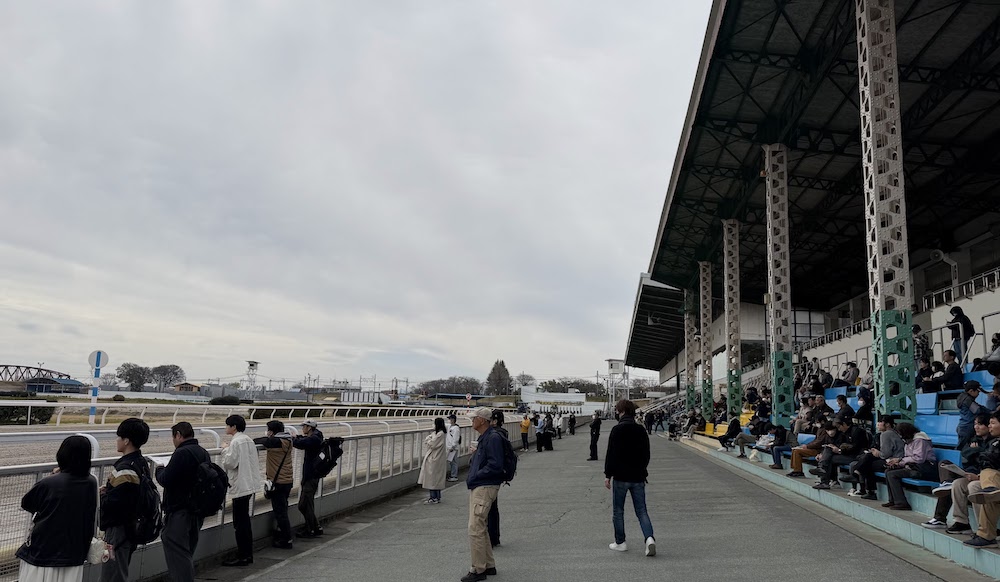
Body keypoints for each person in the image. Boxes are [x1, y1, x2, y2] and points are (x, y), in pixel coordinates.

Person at [16, 435, 98, 582]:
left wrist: (54, 475)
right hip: (74, 552)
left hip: (44, 551)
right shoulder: (92, 482)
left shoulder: (49, 483)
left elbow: (27, 503)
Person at [155, 422, 210, 582]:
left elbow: (166, 479)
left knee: (177, 554)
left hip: (180, 512)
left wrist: (159, 469)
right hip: (197, 511)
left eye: (173, 437)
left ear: (178, 435)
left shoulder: (181, 453)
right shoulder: (203, 452)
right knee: (186, 553)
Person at [100, 418, 151, 582]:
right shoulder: (141, 463)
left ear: (127, 440)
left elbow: (116, 504)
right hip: (132, 527)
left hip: (119, 531)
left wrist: (102, 495)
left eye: (119, 437)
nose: (117, 441)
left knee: (112, 575)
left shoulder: (125, 468)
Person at [922, 413, 993, 531]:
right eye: (975, 424)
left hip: (984, 477)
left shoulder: (994, 442)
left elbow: (988, 460)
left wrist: (976, 452)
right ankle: (961, 522)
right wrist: (975, 453)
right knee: (948, 471)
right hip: (970, 473)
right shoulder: (974, 439)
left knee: (971, 486)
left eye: (980, 424)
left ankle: (984, 528)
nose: (976, 427)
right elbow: (965, 454)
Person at [605, 399, 655, 557]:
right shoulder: (640, 430)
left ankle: (620, 542)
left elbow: (611, 454)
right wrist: (642, 470)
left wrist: (608, 475)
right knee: (641, 511)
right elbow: (647, 454)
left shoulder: (616, 430)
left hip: (620, 477)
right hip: (638, 477)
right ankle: (649, 539)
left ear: (621, 411)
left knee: (618, 511)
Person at [461, 408, 505, 582]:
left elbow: (495, 464)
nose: (472, 421)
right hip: (483, 485)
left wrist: (477, 474)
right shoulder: (488, 437)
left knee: (475, 527)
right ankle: (488, 564)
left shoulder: (492, 438)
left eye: (474, 419)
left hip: (485, 486)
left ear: (482, 420)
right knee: (480, 526)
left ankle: (478, 569)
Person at [220, 415, 262, 566]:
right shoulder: (248, 439)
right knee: (244, 521)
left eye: (227, 425)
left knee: (240, 523)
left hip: (241, 486)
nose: (226, 428)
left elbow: (230, 463)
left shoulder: (236, 441)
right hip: (249, 484)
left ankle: (243, 556)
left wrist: (225, 449)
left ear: (234, 427)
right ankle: (246, 554)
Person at [253, 420, 294, 549]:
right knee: (283, 509)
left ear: (271, 431)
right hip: (287, 480)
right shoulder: (288, 439)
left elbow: (260, 441)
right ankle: (283, 535)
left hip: (278, 482)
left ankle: (286, 540)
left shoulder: (276, 441)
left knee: (280, 512)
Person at [845, 415, 905, 500]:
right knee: (868, 458)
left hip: (892, 461)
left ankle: (868, 489)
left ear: (887, 424)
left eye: (880, 422)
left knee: (868, 463)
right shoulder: (891, 433)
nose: (878, 424)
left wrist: (877, 453)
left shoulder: (887, 434)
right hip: (891, 458)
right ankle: (859, 477)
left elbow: (885, 454)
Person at [882, 422, 937, 511]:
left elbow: (919, 458)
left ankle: (902, 503)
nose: (900, 436)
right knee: (888, 471)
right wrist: (898, 461)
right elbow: (909, 457)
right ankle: (893, 500)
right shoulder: (908, 441)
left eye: (900, 433)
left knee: (892, 475)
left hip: (924, 468)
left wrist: (901, 461)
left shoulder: (920, 440)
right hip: (914, 466)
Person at [965, 412, 1000, 548]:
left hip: (992, 477)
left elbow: (987, 460)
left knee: (987, 476)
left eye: (992, 423)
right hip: (992, 479)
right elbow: (980, 458)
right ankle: (984, 533)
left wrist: (980, 454)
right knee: (977, 489)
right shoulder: (993, 442)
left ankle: (986, 535)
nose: (990, 426)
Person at [813, 415, 869, 490]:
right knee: (828, 451)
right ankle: (824, 478)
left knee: (827, 458)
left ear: (844, 424)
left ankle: (823, 472)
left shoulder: (857, 431)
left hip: (855, 457)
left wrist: (839, 450)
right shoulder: (844, 433)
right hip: (846, 454)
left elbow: (855, 448)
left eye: (839, 427)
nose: (839, 429)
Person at [292, 419, 324, 537]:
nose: (302, 428)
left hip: (311, 475)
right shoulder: (316, 436)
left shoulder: (314, 439)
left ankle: (311, 529)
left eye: (304, 426)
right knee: (306, 503)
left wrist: (293, 439)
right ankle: (315, 527)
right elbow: (304, 440)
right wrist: (297, 437)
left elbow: (301, 444)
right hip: (311, 475)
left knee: (305, 504)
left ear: (309, 427)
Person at [487, 410, 508, 547]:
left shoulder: (493, 435)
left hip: (490, 476)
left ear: (494, 420)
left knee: (489, 508)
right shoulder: (503, 433)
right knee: (493, 507)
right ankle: (495, 536)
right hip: (499, 475)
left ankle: (491, 537)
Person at [419, 418, 448, 504]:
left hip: (435, 459)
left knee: (432, 479)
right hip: (437, 458)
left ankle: (433, 497)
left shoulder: (440, 434)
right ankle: (436, 497)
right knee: (436, 479)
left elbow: (432, 443)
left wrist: (428, 439)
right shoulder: (440, 433)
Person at [958, 381, 985, 450]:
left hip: (963, 427)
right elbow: (977, 410)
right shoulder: (967, 400)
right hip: (967, 428)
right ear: (971, 391)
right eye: (978, 391)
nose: (979, 394)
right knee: (962, 448)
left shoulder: (963, 396)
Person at [447, 414, 463, 480]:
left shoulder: (456, 428)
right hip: (451, 447)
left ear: (453, 420)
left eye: (450, 419)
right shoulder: (450, 427)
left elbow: (456, 438)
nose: (449, 420)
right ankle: (453, 475)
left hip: (453, 448)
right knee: (452, 462)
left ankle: (454, 476)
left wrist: (453, 446)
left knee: (453, 462)